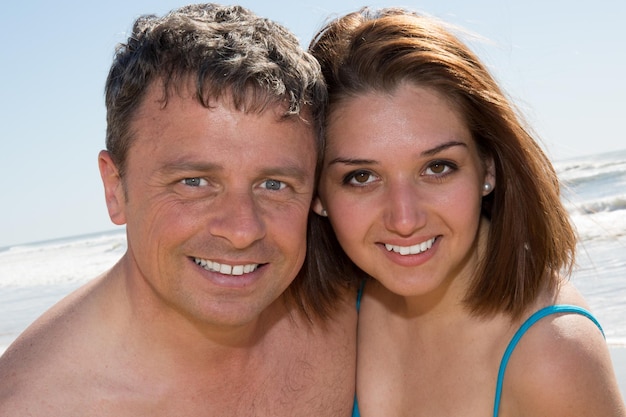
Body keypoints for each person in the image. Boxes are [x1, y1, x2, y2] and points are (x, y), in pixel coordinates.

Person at [0, 4, 357, 416]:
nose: (242, 230)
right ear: (115, 188)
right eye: (194, 182)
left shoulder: (353, 307)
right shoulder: (36, 404)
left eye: (273, 185)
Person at [308, 7, 626, 417]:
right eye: (362, 176)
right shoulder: (320, 315)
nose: (404, 219)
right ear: (316, 193)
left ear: (487, 168)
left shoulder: (552, 355)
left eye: (437, 168)